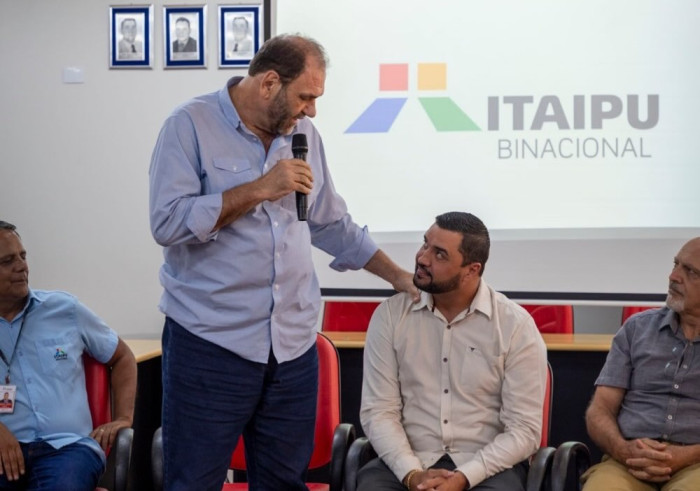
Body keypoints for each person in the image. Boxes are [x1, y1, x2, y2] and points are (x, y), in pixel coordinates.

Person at [149, 34, 418, 490]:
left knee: (285, 483)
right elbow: (167, 223)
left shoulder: (303, 135)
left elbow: (331, 223)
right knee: (193, 482)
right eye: (306, 97)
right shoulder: (188, 125)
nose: (311, 111)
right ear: (270, 82)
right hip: (210, 345)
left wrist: (397, 277)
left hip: (292, 348)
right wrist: (260, 188)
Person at [358, 212, 548, 491]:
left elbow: (524, 430)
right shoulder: (390, 316)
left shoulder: (515, 326)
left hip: (486, 466)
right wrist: (411, 474)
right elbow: (379, 412)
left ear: (472, 269)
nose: (423, 258)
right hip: (408, 460)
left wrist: (464, 477)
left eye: (440, 254)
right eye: (425, 244)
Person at [0, 221, 137, 490]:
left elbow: (122, 357)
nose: (22, 267)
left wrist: (123, 418)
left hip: (68, 449)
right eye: (7, 261)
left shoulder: (65, 309)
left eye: (23, 256)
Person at [582, 237, 700, 490]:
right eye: (676, 264)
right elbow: (600, 410)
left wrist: (687, 455)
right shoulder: (637, 329)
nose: (673, 276)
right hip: (628, 461)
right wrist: (623, 450)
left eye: (690, 271)